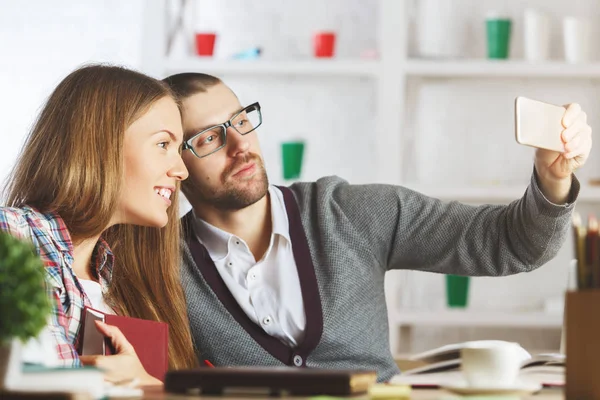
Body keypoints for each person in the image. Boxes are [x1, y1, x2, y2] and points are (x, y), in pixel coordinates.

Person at [163, 72, 592, 381]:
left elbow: (510, 243)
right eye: (209, 139)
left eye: (241, 120)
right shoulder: (160, 264)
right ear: (174, 161)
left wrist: (554, 179)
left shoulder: (349, 213)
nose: (241, 145)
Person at [0, 65, 198, 385]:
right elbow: (42, 387)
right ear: (102, 143)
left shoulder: (112, 282)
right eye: (163, 145)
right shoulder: (18, 235)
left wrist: (148, 385)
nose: (181, 170)